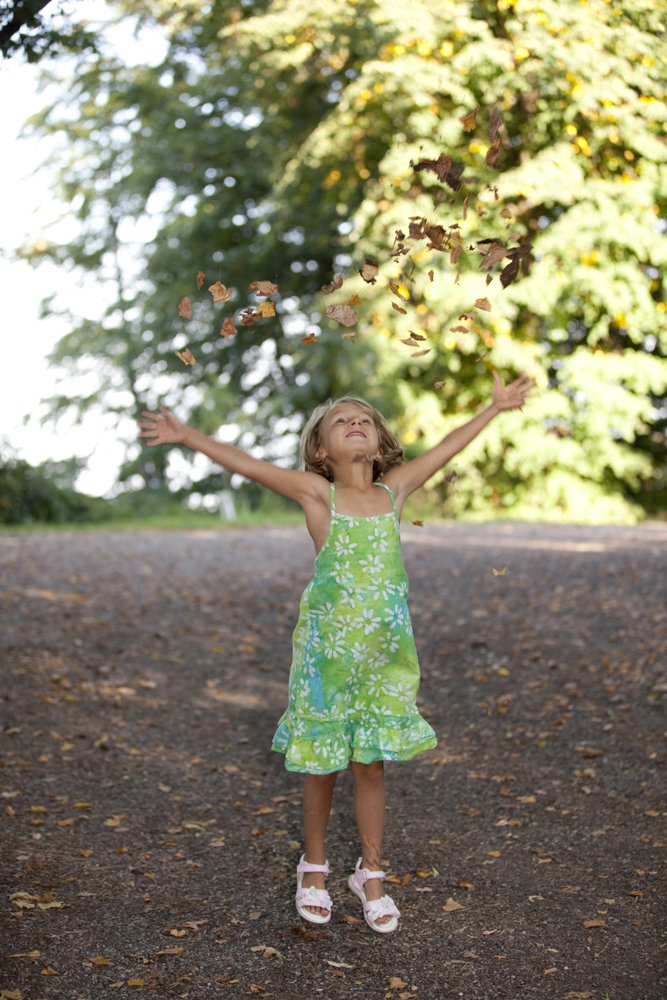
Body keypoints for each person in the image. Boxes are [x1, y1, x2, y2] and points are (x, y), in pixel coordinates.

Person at [138, 369, 533, 932]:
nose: (354, 424)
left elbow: (446, 449)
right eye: (340, 421)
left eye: (364, 420)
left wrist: (493, 409)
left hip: (385, 658)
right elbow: (248, 465)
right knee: (321, 765)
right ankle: (315, 868)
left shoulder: (392, 491)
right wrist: (187, 436)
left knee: (369, 766)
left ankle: (370, 873)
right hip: (327, 660)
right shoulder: (316, 494)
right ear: (320, 449)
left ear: (379, 444)